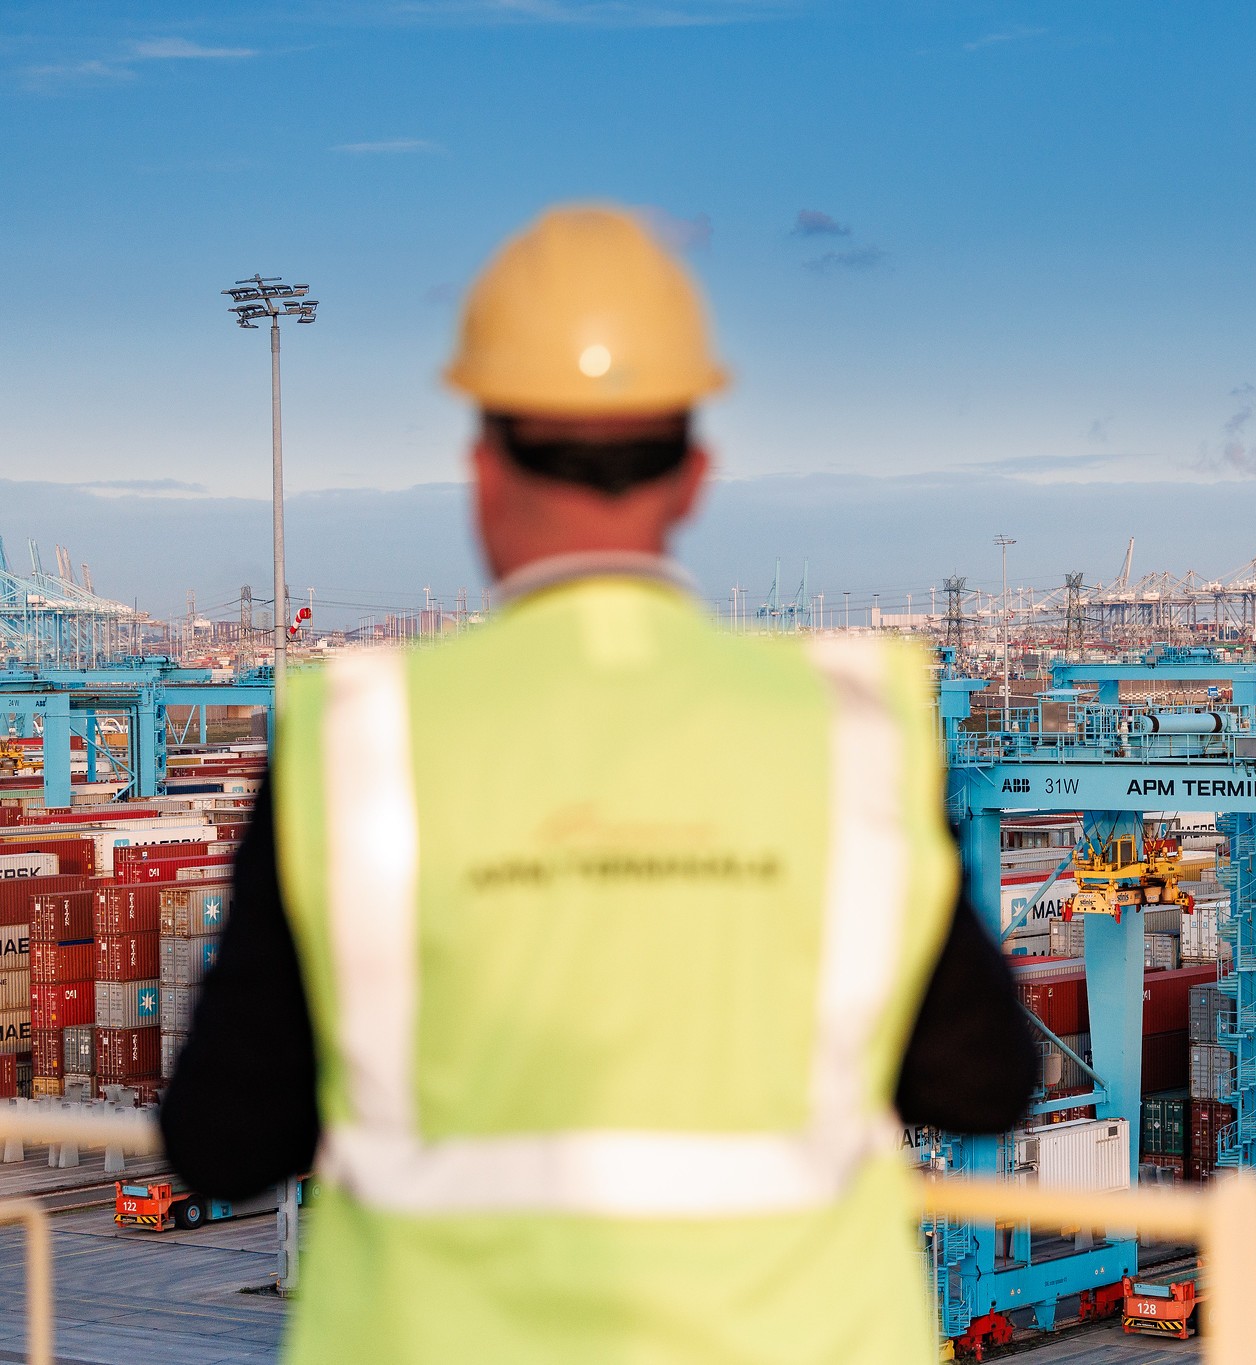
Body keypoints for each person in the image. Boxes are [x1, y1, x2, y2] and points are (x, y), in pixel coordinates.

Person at [159, 205, 1037, 1364]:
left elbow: (225, 1141)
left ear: (480, 469)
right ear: (694, 476)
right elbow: (981, 1085)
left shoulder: (358, 739)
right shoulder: (846, 727)